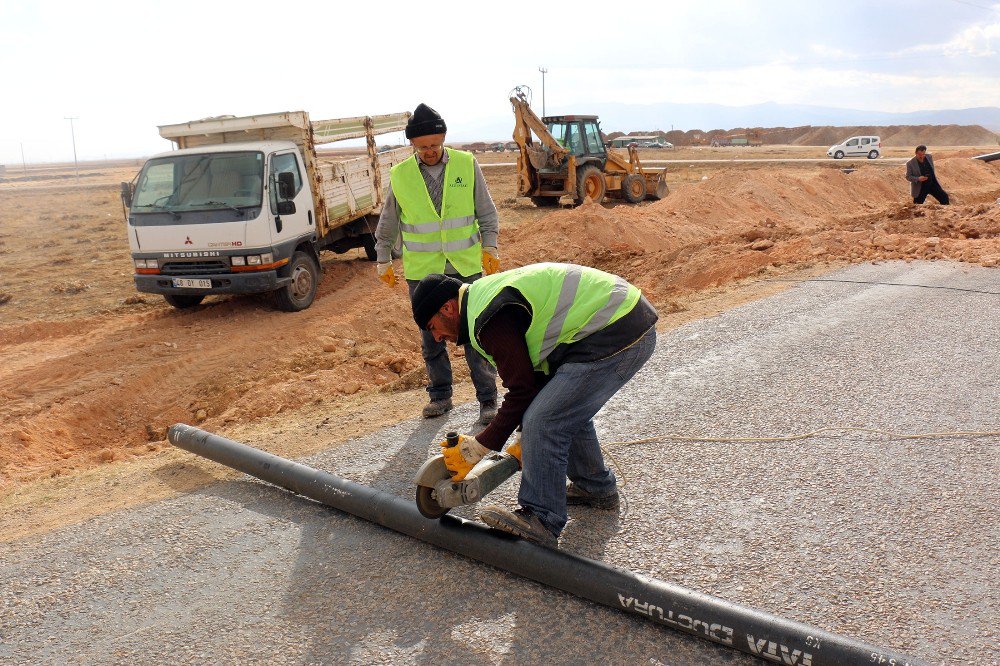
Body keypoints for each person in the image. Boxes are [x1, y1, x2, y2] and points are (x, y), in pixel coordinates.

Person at [410, 263, 658, 548]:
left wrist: (480, 445)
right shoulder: (482, 304)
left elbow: (522, 390)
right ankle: (594, 487)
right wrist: (521, 432)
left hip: (617, 329)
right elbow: (534, 382)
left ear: (447, 309)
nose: (437, 338)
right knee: (558, 408)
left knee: (545, 421)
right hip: (617, 322)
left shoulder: (487, 318)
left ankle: (541, 517)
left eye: (432, 328)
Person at [375, 103, 500, 425]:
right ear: (412, 145)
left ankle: (488, 400)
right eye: (423, 147)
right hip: (422, 271)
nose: (430, 152)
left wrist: (491, 247)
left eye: (435, 145)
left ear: (443, 139)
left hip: (465, 264)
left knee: (475, 333)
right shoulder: (400, 174)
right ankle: (440, 396)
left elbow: (485, 211)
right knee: (431, 336)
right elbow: (389, 220)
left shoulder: (465, 164)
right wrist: (383, 257)